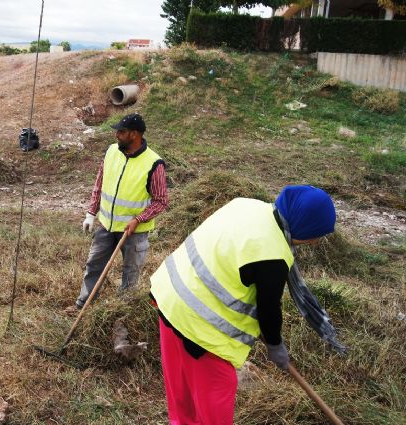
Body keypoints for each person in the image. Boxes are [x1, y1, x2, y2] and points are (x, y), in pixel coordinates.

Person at [150, 185, 338, 425]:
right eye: (316, 234)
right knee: (216, 395)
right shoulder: (272, 255)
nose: (314, 242)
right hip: (199, 326)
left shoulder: (248, 205)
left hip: (170, 294)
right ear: (305, 225)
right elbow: (268, 310)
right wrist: (275, 346)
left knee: (181, 388)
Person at [65, 113, 168, 314]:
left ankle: (122, 314)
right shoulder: (112, 151)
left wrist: (139, 219)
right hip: (106, 226)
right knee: (94, 265)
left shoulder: (154, 163)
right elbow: (99, 183)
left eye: (121, 132)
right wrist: (91, 212)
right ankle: (82, 306)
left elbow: (161, 201)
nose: (117, 136)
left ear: (135, 134)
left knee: (130, 273)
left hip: (134, 232)